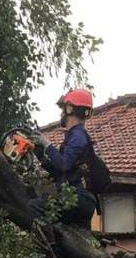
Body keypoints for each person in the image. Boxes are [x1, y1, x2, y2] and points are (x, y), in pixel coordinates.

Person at [30, 89, 99, 227]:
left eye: (63, 109)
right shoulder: (76, 136)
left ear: (69, 109)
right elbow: (61, 173)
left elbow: (63, 165)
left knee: (34, 206)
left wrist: (46, 143)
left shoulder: (78, 136)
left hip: (76, 198)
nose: (61, 113)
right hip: (82, 201)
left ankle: (47, 246)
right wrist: (42, 157)